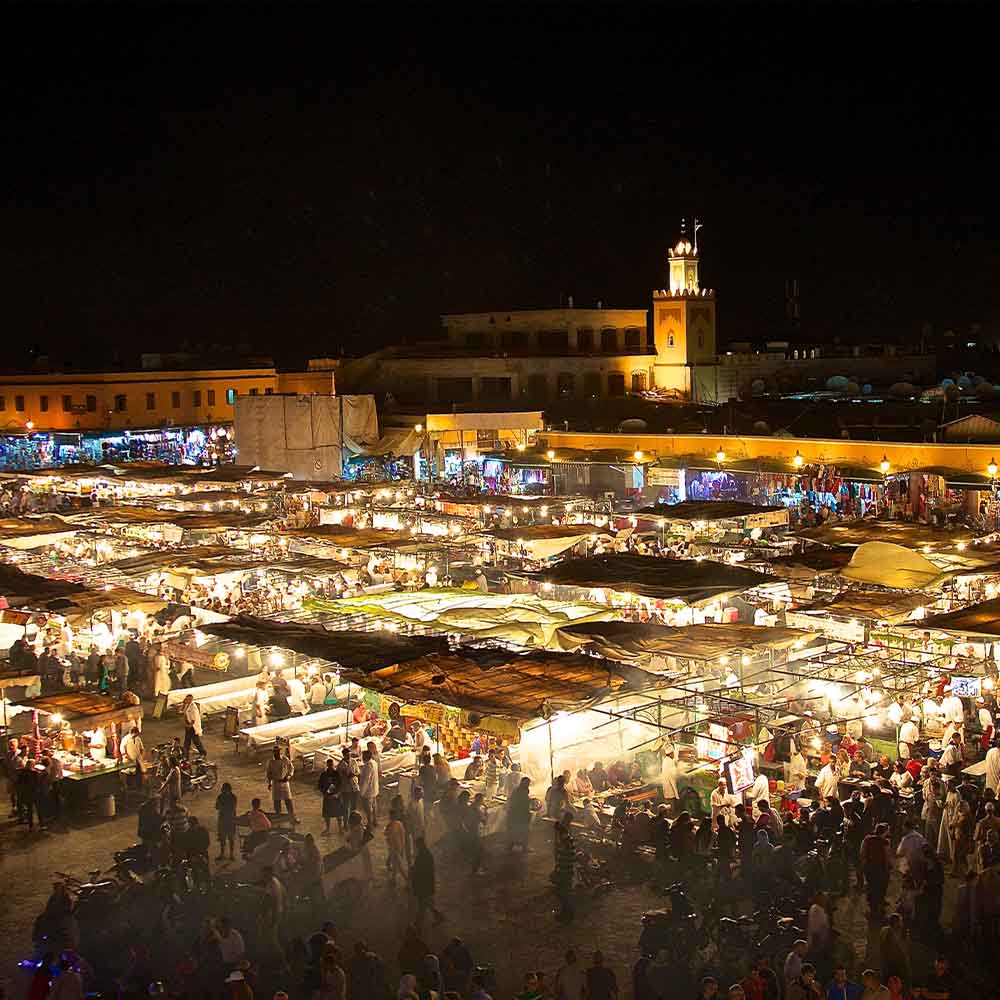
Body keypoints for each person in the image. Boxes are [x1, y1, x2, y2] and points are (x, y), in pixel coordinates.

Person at [411, 836, 444, 930]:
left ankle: (417, 926)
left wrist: (413, 870)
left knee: (422, 907)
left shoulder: (422, 856)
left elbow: (420, 871)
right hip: (427, 885)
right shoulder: (427, 854)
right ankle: (439, 917)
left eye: (416, 846)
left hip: (423, 886)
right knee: (428, 904)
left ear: (419, 846)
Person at [860, 823, 892, 915]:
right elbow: (886, 856)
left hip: (869, 867)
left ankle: (872, 906)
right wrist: (888, 867)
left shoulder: (867, 839)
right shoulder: (885, 842)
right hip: (880, 868)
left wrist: (864, 864)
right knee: (880, 887)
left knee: (871, 885)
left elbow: (862, 852)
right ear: (884, 832)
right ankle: (878, 906)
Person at [878, 914, 910, 988]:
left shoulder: (900, 932)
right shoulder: (886, 931)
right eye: (900, 921)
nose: (902, 923)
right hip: (891, 966)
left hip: (897, 966)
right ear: (896, 922)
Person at [265, 746, 296, 821]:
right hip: (275, 782)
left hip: (285, 782)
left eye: (278, 751)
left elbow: (291, 768)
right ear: (273, 752)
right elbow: (268, 773)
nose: (277, 753)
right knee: (276, 800)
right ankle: (278, 815)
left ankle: (292, 816)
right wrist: (269, 783)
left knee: (288, 800)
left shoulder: (285, 759)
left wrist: (288, 776)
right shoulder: (270, 761)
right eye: (275, 751)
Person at [507, 775, 532, 851]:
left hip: (519, 814)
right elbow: (518, 802)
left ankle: (519, 846)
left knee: (519, 831)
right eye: (527, 783)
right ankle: (521, 846)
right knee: (521, 830)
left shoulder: (521, 790)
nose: (528, 785)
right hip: (518, 814)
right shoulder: (519, 791)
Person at [318, 757, 342, 835]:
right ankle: (327, 829)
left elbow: (340, 785)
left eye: (331, 765)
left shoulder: (337, 774)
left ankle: (340, 828)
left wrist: (337, 794)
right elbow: (320, 786)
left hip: (336, 797)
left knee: (338, 813)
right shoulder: (323, 774)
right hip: (327, 797)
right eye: (329, 765)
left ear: (333, 765)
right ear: (327, 765)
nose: (330, 766)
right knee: (327, 814)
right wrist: (325, 793)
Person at [216, 782, 238, 861]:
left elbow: (218, 807)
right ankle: (227, 855)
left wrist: (223, 806)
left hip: (226, 820)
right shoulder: (232, 797)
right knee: (225, 838)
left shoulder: (222, 797)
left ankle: (228, 855)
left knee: (228, 838)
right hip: (229, 820)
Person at [385, 809, 406, 888]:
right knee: (395, 865)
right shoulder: (390, 825)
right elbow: (386, 835)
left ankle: (407, 881)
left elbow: (402, 836)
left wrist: (402, 848)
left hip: (397, 848)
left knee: (399, 867)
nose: (392, 817)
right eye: (391, 816)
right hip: (392, 848)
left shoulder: (399, 824)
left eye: (393, 816)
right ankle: (394, 880)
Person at [359, 749, 380, 827]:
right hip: (374, 788)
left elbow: (366, 780)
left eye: (363, 756)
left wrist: (361, 792)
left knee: (368, 808)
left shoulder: (368, 766)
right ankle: (375, 820)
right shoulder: (374, 763)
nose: (362, 757)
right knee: (374, 806)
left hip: (368, 791)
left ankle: (370, 823)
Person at [181, 694, 206, 758]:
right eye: (186, 699)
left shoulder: (193, 707)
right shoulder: (187, 705)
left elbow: (193, 719)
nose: (186, 700)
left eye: (187, 699)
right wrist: (183, 703)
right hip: (188, 724)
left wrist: (189, 726)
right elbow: (181, 711)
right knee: (187, 740)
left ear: (191, 699)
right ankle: (185, 753)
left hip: (192, 726)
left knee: (195, 740)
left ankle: (203, 752)